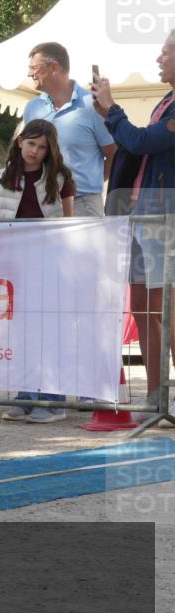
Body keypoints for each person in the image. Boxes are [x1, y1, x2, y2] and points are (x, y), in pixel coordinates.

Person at [91, 29, 175, 416]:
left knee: (167, 307)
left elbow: (142, 142)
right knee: (142, 306)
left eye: (166, 52)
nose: (159, 58)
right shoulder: (166, 100)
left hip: (165, 217)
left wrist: (112, 111)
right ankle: (155, 395)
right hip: (142, 215)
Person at [0, 119, 77, 424]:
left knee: (48, 332)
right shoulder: (4, 177)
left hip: (51, 262)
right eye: (31, 144)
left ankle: (53, 399)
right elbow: (4, 219)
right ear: (19, 143)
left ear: (49, 150)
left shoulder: (60, 177)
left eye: (42, 147)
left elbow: (69, 221)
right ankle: (27, 393)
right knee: (23, 332)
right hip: (17, 264)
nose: (35, 151)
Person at [24, 42, 116, 217]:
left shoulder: (93, 105)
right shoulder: (32, 108)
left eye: (34, 67)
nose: (29, 73)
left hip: (83, 206)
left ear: (54, 68)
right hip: (41, 206)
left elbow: (113, 154)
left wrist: (88, 186)